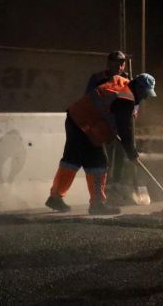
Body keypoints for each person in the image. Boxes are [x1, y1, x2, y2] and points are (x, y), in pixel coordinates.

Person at [45, 73, 157, 215]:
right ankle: (97, 204)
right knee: (97, 163)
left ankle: (56, 198)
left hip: (77, 119)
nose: (145, 97)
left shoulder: (122, 86)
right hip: (85, 124)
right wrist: (131, 152)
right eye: (145, 93)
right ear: (139, 87)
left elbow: (112, 115)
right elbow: (125, 128)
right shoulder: (126, 98)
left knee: (72, 159)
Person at [85, 51, 132, 201]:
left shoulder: (127, 79)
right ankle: (103, 189)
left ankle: (116, 184)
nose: (119, 66)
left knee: (121, 152)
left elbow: (133, 100)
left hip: (118, 121)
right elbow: (89, 97)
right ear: (108, 63)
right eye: (116, 63)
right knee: (104, 156)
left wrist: (134, 110)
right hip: (101, 122)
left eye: (122, 63)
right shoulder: (97, 78)